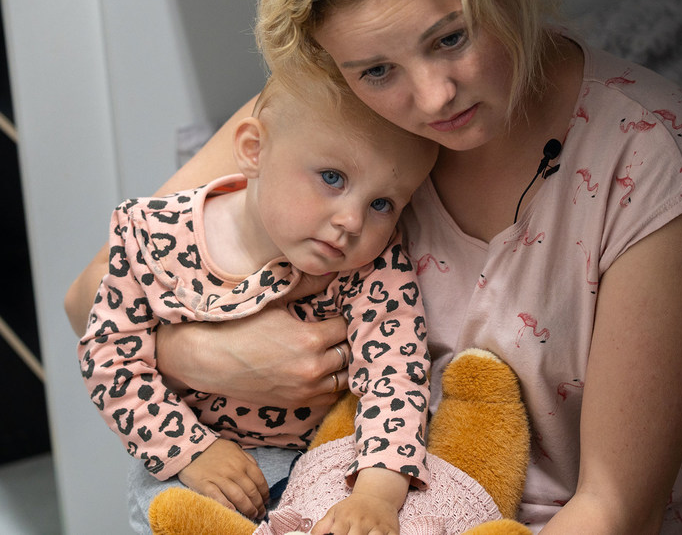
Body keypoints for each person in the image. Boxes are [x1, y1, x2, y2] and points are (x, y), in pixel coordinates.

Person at [67, 0, 682, 532]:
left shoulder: (651, 162)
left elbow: (617, 510)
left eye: (451, 38)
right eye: (376, 71)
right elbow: (90, 293)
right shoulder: (331, 107)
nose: (432, 97)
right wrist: (204, 355)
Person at [77, 70, 439, 534]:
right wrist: (192, 450)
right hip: (191, 457)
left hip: (326, 463)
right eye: (332, 178)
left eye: (383, 204)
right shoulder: (151, 234)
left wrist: (375, 497)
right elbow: (107, 355)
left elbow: (397, 379)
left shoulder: (374, 264)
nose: (351, 221)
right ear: (254, 150)